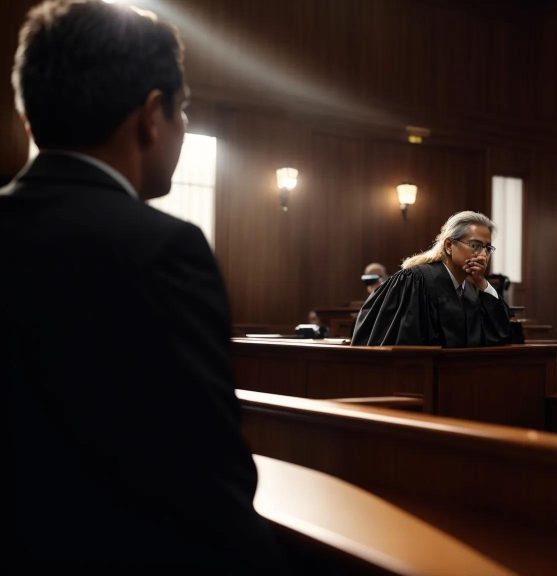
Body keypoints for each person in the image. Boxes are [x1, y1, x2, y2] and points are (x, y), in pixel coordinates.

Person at [1, 1, 285, 571]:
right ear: (152, 115)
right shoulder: (163, 249)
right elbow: (208, 481)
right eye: (184, 115)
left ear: (30, 119)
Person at [352, 211, 524, 347]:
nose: (483, 255)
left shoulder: (473, 291)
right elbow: (399, 343)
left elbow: (502, 335)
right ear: (449, 245)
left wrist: (482, 283)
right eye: (475, 246)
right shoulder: (415, 281)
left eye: (487, 248)